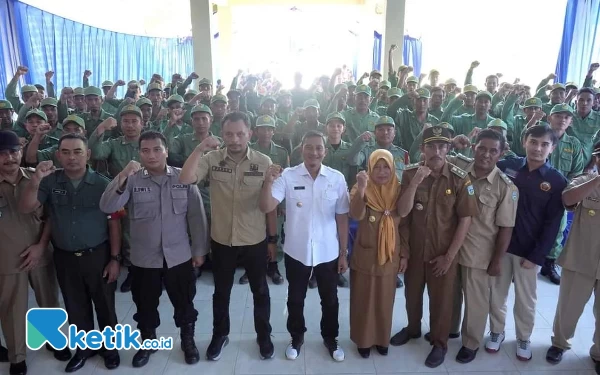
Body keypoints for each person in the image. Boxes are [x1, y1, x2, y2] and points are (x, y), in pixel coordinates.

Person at [99, 131, 208, 367]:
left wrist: (199, 250)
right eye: (145, 150)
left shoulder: (183, 178)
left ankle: (187, 342)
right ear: (139, 153)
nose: (151, 155)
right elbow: (107, 205)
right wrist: (124, 173)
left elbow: (197, 217)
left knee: (185, 303)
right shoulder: (133, 180)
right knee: (145, 306)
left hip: (178, 257)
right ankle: (148, 343)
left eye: (157, 149)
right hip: (143, 259)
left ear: (166, 151)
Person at [19, 133, 122, 372]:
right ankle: (84, 349)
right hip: (64, 256)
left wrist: (115, 259)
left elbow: (114, 223)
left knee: (105, 305)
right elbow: (26, 208)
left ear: (88, 154)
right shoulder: (50, 182)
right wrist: (35, 179)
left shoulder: (103, 184)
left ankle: (110, 349)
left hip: (98, 255)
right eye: (65, 152)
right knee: (75, 307)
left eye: (77, 152)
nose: (71, 157)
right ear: (58, 155)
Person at [179, 111, 276, 361]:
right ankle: (220, 335)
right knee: (221, 292)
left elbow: (269, 206)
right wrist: (200, 147)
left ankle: (263, 336)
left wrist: (273, 240)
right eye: (229, 134)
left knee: (260, 291)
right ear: (221, 134)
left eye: (240, 134)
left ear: (250, 134)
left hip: (254, 239)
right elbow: (186, 178)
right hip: (222, 240)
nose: (234, 139)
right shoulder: (211, 159)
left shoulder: (263, 161)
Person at [390, 125, 479, 368]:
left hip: (443, 253)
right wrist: (404, 251)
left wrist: (449, 257)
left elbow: (465, 220)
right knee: (411, 294)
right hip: (416, 251)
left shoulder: (460, 178)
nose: (436, 151)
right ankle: (412, 328)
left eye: (442, 146)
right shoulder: (410, 175)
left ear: (449, 149)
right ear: (423, 149)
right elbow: (403, 216)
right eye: (431, 146)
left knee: (442, 301)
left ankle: (439, 343)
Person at [258, 130, 350, 362]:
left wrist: (343, 253)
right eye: (309, 147)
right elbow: (266, 205)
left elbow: (342, 218)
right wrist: (268, 181)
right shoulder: (288, 176)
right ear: (301, 149)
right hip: (296, 251)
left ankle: (331, 338)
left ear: (325, 151)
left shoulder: (336, 178)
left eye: (319, 147)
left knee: (329, 299)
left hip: (327, 251)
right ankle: (296, 337)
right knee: (295, 298)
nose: (314, 152)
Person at [488, 125, 568, 361]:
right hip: (501, 247)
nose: (538, 148)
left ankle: (523, 337)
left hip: (529, 253)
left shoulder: (555, 180)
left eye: (544, 144)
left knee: (526, 299)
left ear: (552, 148)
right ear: (525, 141)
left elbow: (553, 224)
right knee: (497, 294)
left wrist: (538, 256)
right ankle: (496, 331)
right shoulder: (507, 166)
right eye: (534, 142)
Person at [0, 130, 71, 375]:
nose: (9, 158)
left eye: (13, 151)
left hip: (41, 253)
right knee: (12, 308)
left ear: (20, 152)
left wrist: (41, 246)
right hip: (7, 260)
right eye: (2, 154)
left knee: (49, 301)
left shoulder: (37, 178)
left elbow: (52, 216)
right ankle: (17, 356)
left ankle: (52, 338)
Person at [449, 129, 519, 364]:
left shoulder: (505, 187)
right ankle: (450, 330)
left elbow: (506, 228)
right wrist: (450, 141)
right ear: (473, 148)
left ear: (501, 154)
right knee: (450, 295)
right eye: (482, 148)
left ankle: (471, 342)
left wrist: (497, 261)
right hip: (449, 248)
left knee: (475, 302)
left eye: (493, 151)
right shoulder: (458, 165)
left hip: (479, 253)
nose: (486, 155)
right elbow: (432, 156)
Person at [348, 150, 408, 358]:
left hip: (391, 254)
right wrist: (363, 189)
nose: (382, 172)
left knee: (385, 299)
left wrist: (405, 254)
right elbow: (355, 214)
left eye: (386, 167)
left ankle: (382, 339)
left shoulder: (399, 190)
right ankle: (363, 341)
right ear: (370, 169)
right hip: (365, 253)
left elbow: (405, 225)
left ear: (392, 169)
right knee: (363, 299)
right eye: (377, 167)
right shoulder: (360, 186)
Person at [545, 142, 600, 372]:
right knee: (568, 307)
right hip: (580, 258)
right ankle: (560, 343)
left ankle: (598, 354)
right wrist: (597, 179)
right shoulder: (584, 180)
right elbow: (567, 199)